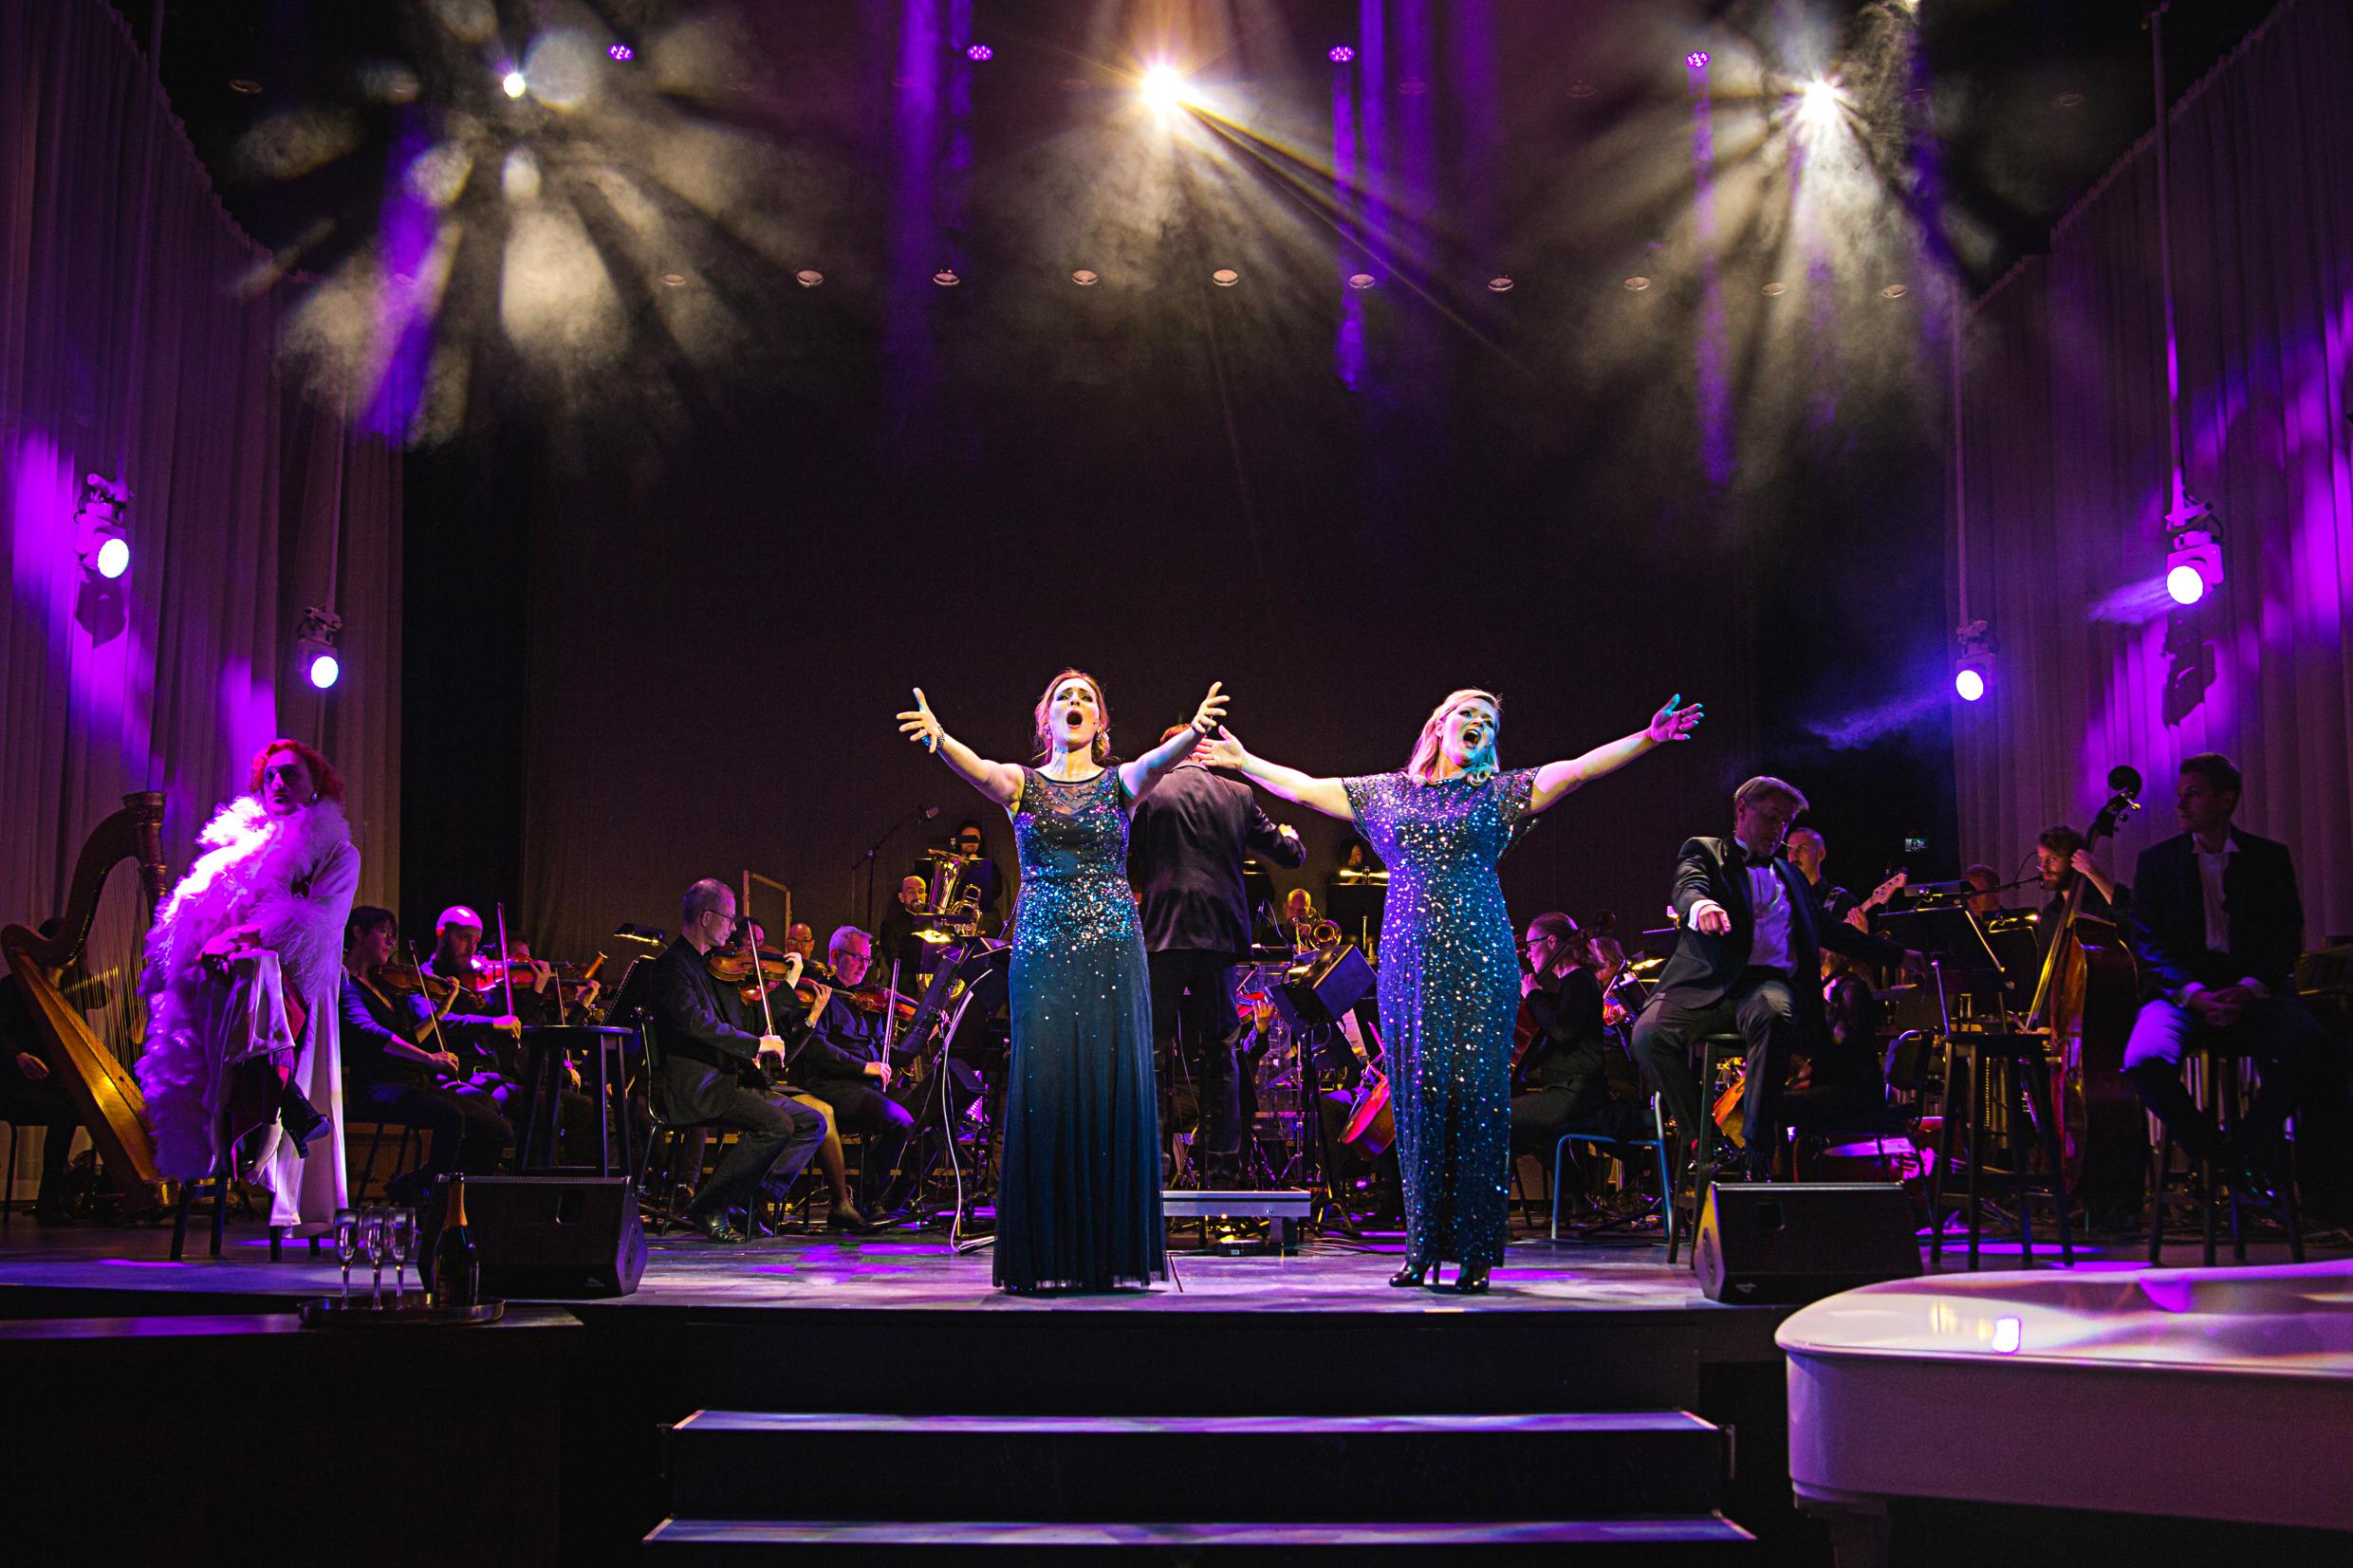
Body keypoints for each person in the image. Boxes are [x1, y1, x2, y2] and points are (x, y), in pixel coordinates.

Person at [1204, 689, 1704, 1291]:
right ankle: (1420, 1251)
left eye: (1490, 722)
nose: (1479, 725)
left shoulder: (1500, 793)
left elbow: (1575, 772)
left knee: (1477, 1101)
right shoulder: (1389, 793)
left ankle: (1473, 1253)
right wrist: (1246, 762)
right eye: (1469, 714)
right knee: (1415, 1101)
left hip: (1479, 955)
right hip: (1409, 959)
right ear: (1439, 726)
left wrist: (1649, 736)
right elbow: (1308, 787)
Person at [899, 671, 1228, 1292]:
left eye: (1087, 698)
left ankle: (1108, 1249)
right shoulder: (1022, 784)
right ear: (1044, 718)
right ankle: (1046, 1251)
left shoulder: (1119, 782)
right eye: (1063, 697)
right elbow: (981, 771)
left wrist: (1194, 735)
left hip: (1111, 949)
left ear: (1101, 722)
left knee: (1110, 1083)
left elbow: (1158, 761)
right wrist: (941, 739)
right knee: (1045, 1084)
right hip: (1044, 951)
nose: (1075, 704)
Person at [1628, 775, 1915, 1191]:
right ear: (1742, 810)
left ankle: (1756, 1151)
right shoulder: (1704, 851)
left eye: (1785, 821)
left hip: (1764, 985)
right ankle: (1703, 1143)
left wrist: (1898, 954)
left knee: (1775, 1012)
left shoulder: (1791, 875)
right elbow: (1688, 886)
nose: (1779, 829)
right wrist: (1701, 905)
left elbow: (1831, 931)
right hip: (1707, 985)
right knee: (1647, 1035)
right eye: (1771, 817)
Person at [135, 739, 358, 1232]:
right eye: (271, 775)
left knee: (264, 1013)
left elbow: (319, 920)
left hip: (289, 989)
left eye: (292, 775)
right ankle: (265, 1119)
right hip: (222, 990)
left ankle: (275, 1115)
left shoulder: (337, 853)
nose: (278, 783)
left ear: (317, 786)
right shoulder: (232, 852)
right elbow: (194, 913)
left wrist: (244, 936)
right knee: (205, 1048)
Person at [2122, 753, 2334, 1202]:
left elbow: (2284, 936)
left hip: (2251, 994)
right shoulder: (2156, 863)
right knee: (2143, 1059)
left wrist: (2249, 988)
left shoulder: (2268, 858)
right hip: (2181, 996)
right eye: (2180, 795)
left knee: (2311, 1043)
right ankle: (2218, 1154)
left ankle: (2247, 1146)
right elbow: (2148, 944)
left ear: (2226, 799)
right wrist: (2194, 994)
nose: (2181, 804)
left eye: (2193, 794)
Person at [1127, 724, 1307, 1186]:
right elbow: (1290, 856)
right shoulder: (1238, 796)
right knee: (1221, 1052)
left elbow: (1126, 860)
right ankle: (1222, 1172)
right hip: (1221, 937)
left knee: (1151, 1053)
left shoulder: (1150, 791)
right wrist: (1291, 834)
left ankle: (1153, 1168)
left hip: (1162, 933)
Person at [645, 879, 829, 1242]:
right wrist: (754, 1045)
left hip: (725, 1079)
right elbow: (696, 1024)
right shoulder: (672, 966)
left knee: (811, 1122)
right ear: (706, 917)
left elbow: (744, 1022)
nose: (734, 929)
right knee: (777, 1125)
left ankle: (749, 1198)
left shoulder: (710, 967)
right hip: (695, 1085)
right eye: (729, 920)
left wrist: (786, 992)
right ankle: (709, 1204)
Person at [337, 907, 510, 1195]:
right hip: (377, 1086)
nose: (392, 942)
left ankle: (427, 1187)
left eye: (393, 936)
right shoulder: (347, 986)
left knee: (498, 1129)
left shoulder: (386, 987)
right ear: (358, 933)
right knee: (451, 1115)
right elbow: (372, 1033)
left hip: (415, 1083)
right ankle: (434, 1195)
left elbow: (409, 1037)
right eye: (384, 934)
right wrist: (429, 1058)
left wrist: (441, 1009)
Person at [793, 925, 915, 1224]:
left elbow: (890, 1054)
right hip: (834, 1084)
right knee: (899, 1120)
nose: (864, 965)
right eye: (857, 958)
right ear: (835, 955)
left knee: (930, 1115)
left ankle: (892, 1199)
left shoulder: (869, 999)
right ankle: (867, 1199)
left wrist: (923, 1032)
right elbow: (816, 1049)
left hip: (869, 1085)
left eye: (867, 960)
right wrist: (863, 1067)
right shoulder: (817, 993)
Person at [1510, 913, 1640, 1182]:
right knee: (1522, 1130)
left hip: (1576, 1093)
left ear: (1552, 941)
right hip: (1566, 1089)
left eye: (1532, 945)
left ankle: (1581, 1184)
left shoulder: (1579, 981)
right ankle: (1580, 1187)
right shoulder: (1569, 985)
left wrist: (1533, 994)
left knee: (1497, 1118)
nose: (1529, 954)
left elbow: (1562, 1030)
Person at [0, 922, 84, 1224]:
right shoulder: (12, 988)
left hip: (52, 1086)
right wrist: (18, 1056)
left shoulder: (73, 991)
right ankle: (49, 1201)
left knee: (85, 1106)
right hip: (12, 1086)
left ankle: (80, 1192)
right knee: (65, 1111)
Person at [875, 876, 936, 990]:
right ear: (902, 897)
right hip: (904, 990)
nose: (917, 896)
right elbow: (894, 961)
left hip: (932, 990)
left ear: (926, 897)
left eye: (921, 892)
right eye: (911, 891)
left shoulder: (935, 923)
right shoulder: (890, 925)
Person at [948, 820, 1008, 934]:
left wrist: (978, 867)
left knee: (992, 925)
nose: (971, 842)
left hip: (983, 914)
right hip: (956, 912)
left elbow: (997, 891)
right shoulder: (950, 864)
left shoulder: (990, 865)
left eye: (975, 838)